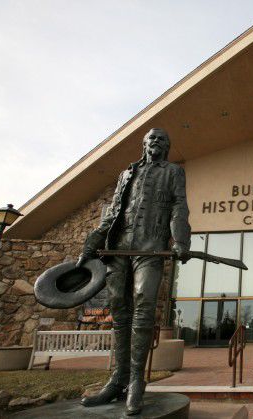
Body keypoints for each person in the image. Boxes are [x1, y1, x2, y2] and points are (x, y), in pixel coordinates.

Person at [77, 128, 191, 415]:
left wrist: (180, 241)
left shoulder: (173, 172)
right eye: (151, 138)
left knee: (143, 304)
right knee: (119, 309)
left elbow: (179, 206)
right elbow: (115, 210)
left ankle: (137, 382)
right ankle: (117, 380)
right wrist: (94, 240)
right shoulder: (126, 173)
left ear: (167, 147)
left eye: (162, 139)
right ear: (144, 144)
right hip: (118, 246)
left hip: (150, 247)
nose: (156, 142)